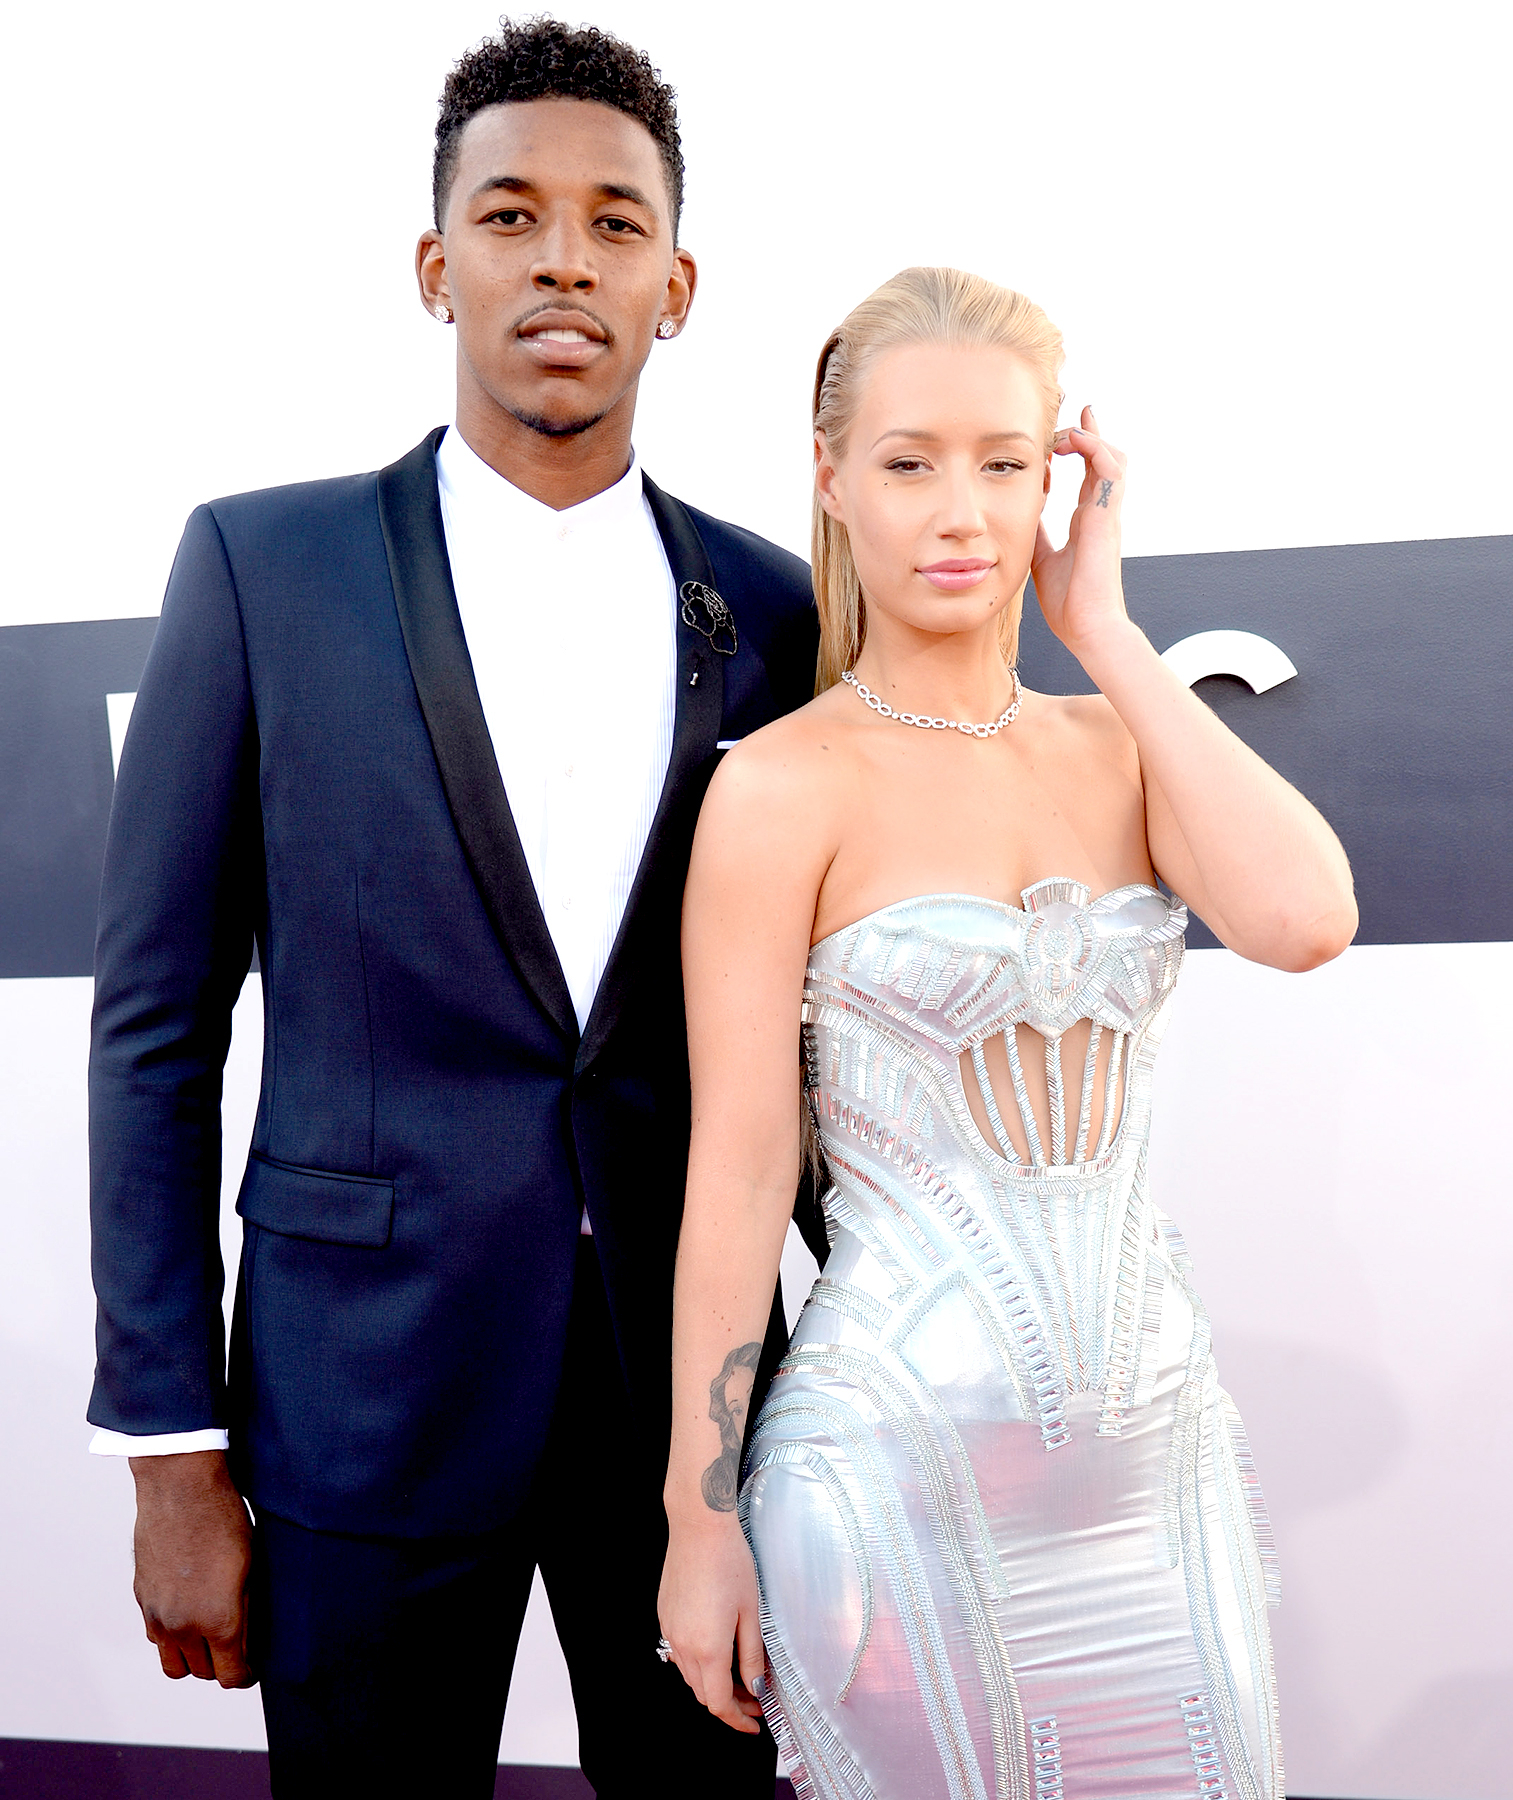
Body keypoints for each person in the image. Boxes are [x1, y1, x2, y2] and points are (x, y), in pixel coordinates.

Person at [86, 19, 817, 1798]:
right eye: (510, 216)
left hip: (700, 1418)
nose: (564, 258)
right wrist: (170, 1450)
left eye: (616, 223)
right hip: (360, 1397)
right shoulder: (261, 568)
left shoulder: (776, 607)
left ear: (677, 286)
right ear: (436, 266)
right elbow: (157, 1029)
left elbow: (823, 1036)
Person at [657, 267, 1357, 1799]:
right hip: (892, 1473)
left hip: (1156, 1474)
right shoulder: (780, 787)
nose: (961, 511)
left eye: (1004, 462)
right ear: (832, 479)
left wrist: (1105, 632)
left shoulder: (1121, 743)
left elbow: (1308, 919)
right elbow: (741, 1172)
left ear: (1059, 481)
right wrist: (698, 1520)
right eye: (910, 463)